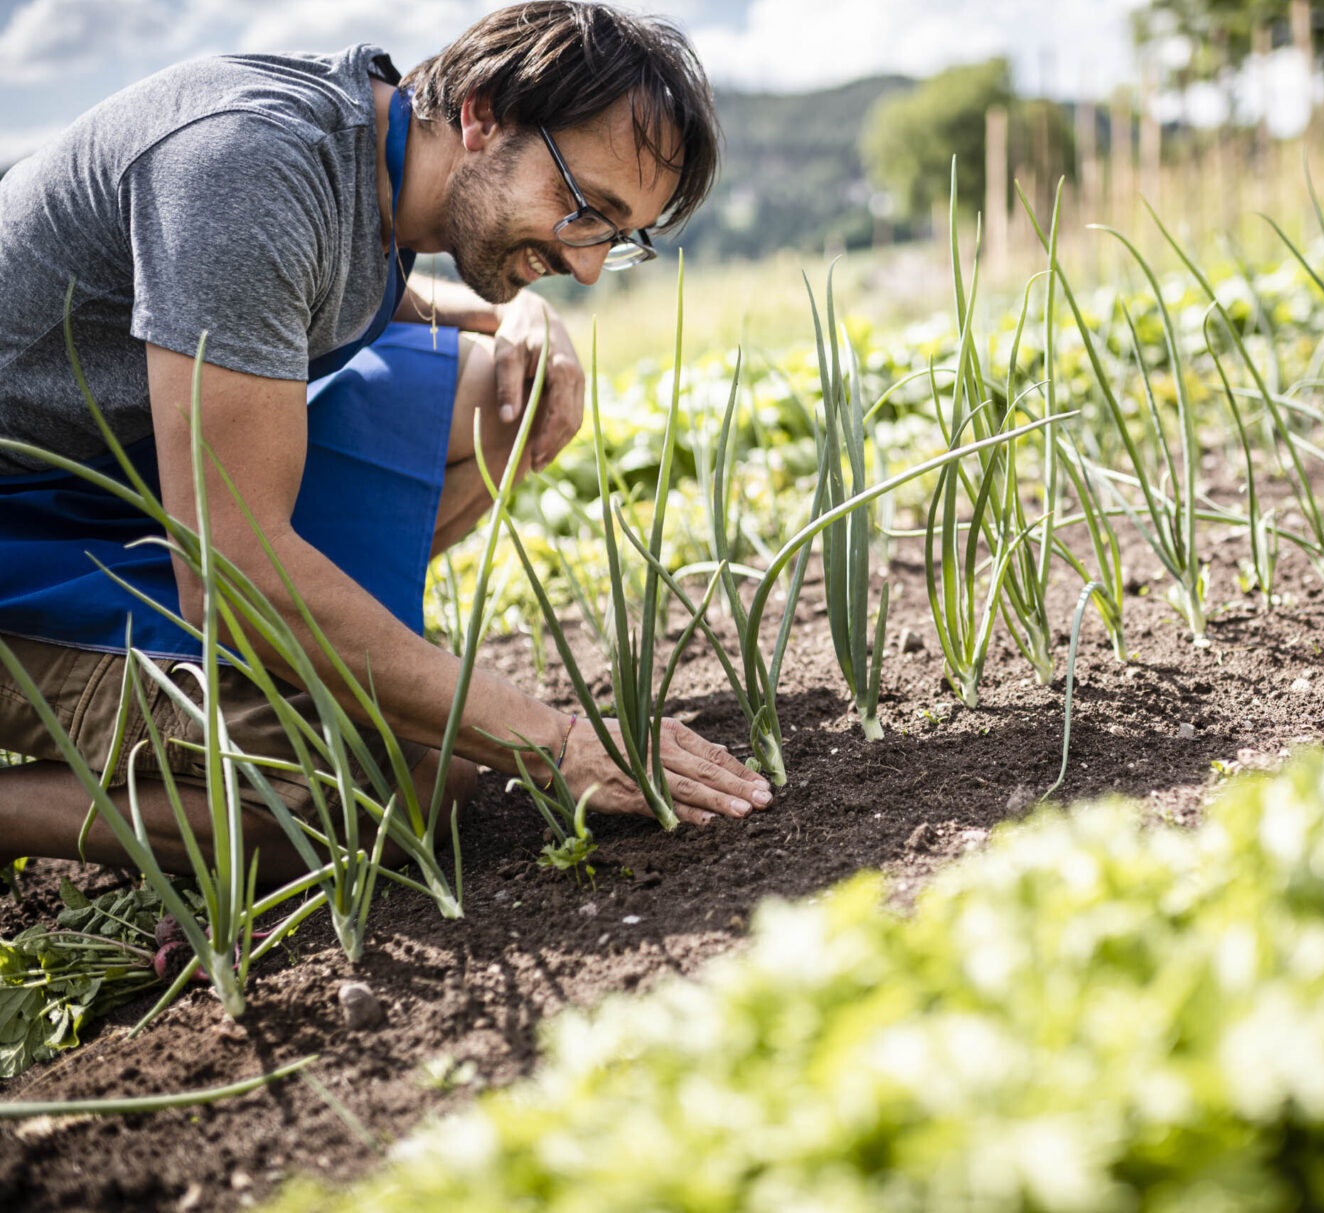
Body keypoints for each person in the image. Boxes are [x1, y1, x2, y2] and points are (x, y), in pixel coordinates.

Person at [0, 1, 771, 880]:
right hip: (28, 544)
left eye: (617, 234)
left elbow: (310, 290)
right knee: (373, 780)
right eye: (582, 207)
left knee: (494, 390)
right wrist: (552, 741)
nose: (590, 262)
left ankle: (332, 652)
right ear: (481, 112)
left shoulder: (369, 157)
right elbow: (231, 575)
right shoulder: (249, 172)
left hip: (114, 492)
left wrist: (513, 313)